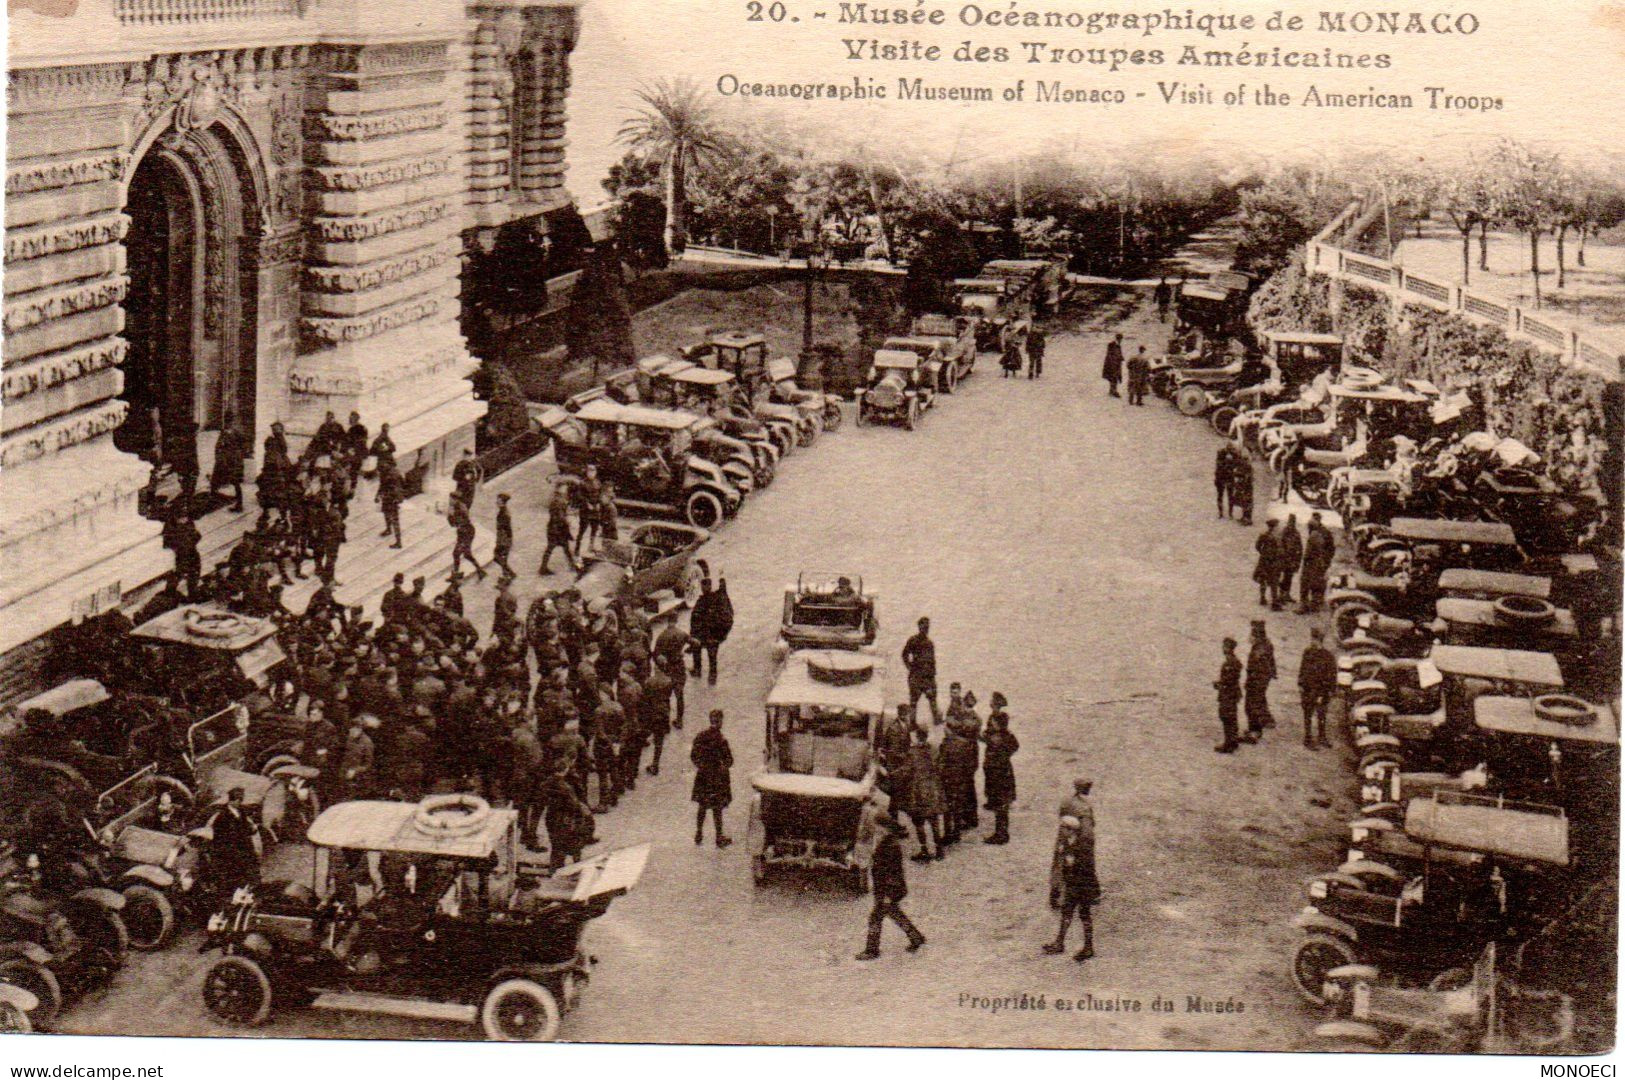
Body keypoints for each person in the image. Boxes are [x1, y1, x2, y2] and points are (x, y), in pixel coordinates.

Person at [855, 816, 925, 960]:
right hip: (886, 888)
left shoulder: (890, 847)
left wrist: (888, 893)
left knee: (876, 917)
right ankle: (916, 937)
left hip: (888, 889)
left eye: (879, 828)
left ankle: (871, 950)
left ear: (886, 829)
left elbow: (893, 871)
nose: (876, 830)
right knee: (894, 914)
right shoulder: (886, 843)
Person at [1042, 810, 1099, 962]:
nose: (1061, 831)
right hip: (1073, 885)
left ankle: (1088, 947)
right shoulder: (1068, 843)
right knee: (1067, 913)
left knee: (1084, 915)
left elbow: (1087, 868)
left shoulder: (1081, 845)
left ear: (1070, 829)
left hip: (1083, 886)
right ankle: (1060, 943)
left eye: (1063, 828)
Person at [898, 726, 947, 861]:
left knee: (919, 821)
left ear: (917, 737)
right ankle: (939, 850)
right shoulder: (934, 750)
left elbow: (906, 771)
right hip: (933, 788)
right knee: (934, 820)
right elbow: (941, 766)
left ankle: (924, 850)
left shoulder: (912, 752)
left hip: (918, 789)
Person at [690, 709, 734, 847]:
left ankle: (699, 833)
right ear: (720, 721)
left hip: (703, 776)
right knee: (717, 808)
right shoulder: (721, 740)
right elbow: (729, 760)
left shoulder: (700, 736)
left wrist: (701, 766)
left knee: (702, 806)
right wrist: (723, 767)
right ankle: (719, 836)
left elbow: (693, 755)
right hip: (717, 778)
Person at [207, 787, 263, 891]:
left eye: (241, 799)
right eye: (238, 800)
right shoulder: (222, 817)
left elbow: (246, 827)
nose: (240, 802)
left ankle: (253, 889)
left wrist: (252, 829)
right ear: (232, 801)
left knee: (251, 873)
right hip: (231, 853)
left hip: (245, 848)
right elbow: (219, 839)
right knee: (236, 879)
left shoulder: (241, 812)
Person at [980, 695, 1018, 844]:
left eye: (994, 724)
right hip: (1002, 773)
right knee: (1000, 805)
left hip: (999, 775)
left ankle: (1001, 835)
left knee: (1000, 806)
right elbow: (1014, 746)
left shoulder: (999, 740)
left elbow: (1001, 746)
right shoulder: (1005, 736)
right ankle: (1001, 833)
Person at [936, 717, 979, 847]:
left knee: (947, 808)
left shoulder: (946, 744)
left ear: (950, 729)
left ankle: (948, 834)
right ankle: (957, 832)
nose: (944, 729)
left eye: (946, 727)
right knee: (958, 806)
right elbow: (971, 763)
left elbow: (940, 764)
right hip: (961, 780)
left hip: (948, 780)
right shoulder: (965, 743)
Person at [687, 575, 733, 685]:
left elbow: (695, 620)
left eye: (704, 586)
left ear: (707, 587)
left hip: (706, 635)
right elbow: (723, 591)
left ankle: (699, 671)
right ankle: (710, 677)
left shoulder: (704, 601)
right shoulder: (715, 597)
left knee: (703, 654)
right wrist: (722, 579)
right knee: (711, 657)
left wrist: (693, 636)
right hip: (712, 636)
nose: (703, 588)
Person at [1299, 627, 1337, 749]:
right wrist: (1300, 684)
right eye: (1312, 638)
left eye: (1314, 639)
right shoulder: (1307, 652)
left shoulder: (1328, 656)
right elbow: (1302, 669)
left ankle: (1322, 737)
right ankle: (1308, 738)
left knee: (1321, 714)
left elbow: (1332, 674)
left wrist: (1331, 690)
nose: (1312, 641)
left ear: (1319, 640)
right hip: (1308, 689)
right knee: (1308, 714)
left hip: (1322, 690)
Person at [901, 617, 942, 725]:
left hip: (928, 677)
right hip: (916, 676)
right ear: (919, 627)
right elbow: (905, 654)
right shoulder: (913, 640)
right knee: (913, 702)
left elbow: (932, 661)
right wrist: (909, 667)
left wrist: (933, 678)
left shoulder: (930, 643)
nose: (925, 629)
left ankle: (937, 722)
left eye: (927, 627)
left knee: (933, 700)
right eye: (923, 626)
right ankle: (912, 724)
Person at [1244, 620, 1276, 741]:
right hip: (1260, 681)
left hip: (1256, 682)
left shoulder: (1259, 650)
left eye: (1251, 635)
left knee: (1252, 705)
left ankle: (1255, 731)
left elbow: (1257, 669)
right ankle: (1262, 723)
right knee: (1257, 703)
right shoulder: (1265, 645)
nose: (1249, 638)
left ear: (1256, 636)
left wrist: (1251, 683)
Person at [1299, 512, 1336, 613]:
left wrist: (1325, 561)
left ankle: (1306, 606)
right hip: (1319, 563)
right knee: (1318, 582)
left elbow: (1330, 549)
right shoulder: (1322, 532)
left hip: (1313, 563)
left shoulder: (1318, 534)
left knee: (1307, 582)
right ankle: (1315, 603)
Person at [163, 507, 202, 597]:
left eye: (186, 517)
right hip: (181, 554)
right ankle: (169, 593)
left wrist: (191, 542)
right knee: (179, 574)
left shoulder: (189, 523)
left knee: (194, 574)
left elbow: (197, 535)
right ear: (177, 518)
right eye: (182, 518)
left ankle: (192, 593)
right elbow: (167, 543)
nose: (185, 519)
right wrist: (179, 546)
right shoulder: (170, 527)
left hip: (192, 552)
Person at [211, 416, 247, 512]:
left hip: (232, 460)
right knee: (217, 479)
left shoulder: (233, 433)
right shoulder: (226, 433)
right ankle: (215, 497)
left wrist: (237, 453)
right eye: (227, 423)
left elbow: (243, 444)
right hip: (226, 460)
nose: (228, 424)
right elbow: (218, 446)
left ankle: (239, 504)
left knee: (235, 482)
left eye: (230, 423)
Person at [1214, 637, 1243, 753]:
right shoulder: (1232, 661)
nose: (1223, 649)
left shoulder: (1230, 662)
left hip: (1228, 694)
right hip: (1231, 693)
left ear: (1228, 648)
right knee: (1230, 717)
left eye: (1224, 646)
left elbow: (1229, 680)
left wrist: (1219, 684)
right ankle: (1232, 741)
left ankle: (1229, 744)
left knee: (1227, 717)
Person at [540, 481, 576, 575]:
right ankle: (573, 565)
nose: (565, 490)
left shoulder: (558, 498)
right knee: (560, 547)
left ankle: (543, 568)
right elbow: (560, 517)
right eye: (564, 488)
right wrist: (567, 522)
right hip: (558, 529)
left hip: (554, 528)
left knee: (560, 548)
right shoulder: (558, 500)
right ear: (559, 489)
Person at [449, 500, 485, 581]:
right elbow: (453, 524)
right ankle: (480, 570)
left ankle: (456, 574)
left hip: (466, 534)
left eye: (451, 499)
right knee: (466, 554)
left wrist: (452, 516)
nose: (450, 500)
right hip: (464, 533)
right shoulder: (458, 508)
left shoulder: (459, 510)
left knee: (457, 553)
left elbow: (456, 523)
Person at [573, 465, 603, 558]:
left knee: (594, 530)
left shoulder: (598, 482)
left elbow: (600, 494)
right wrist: (587, 503)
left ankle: (591, 546)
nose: (591, 473)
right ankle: (577, 549)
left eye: (593, 471)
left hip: (595, 510)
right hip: (586, 511)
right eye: (589, 471)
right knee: (582, 530)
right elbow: (579, 496)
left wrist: (598, 503)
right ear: (586, 472)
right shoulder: (582, 483)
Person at [376, 458, 403, 548]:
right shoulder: (384, 473)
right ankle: (388, 529)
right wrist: (378, 495)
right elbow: (382, 485)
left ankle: (398, 542)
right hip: (387, 497)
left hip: (392, 498)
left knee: (394, 519)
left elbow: (399, 487)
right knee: (386, 513)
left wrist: (398, 498)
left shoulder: (394, 474)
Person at [1277, 514, 1303, 608]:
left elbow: (1300, 547)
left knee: (1289, 578)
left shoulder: (1296, 533)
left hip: (1292, 560)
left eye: (1293, 522)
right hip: (1284, 560)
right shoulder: (1284, 532)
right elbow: (1280, 545)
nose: (1291, 524)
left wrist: (1297, 560)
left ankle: (1286, 595)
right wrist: (1283, 556)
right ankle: (1281, 595)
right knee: (1282, 578)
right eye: (1290, 522)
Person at [1253, 521, 1280, 608]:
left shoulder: (1264, 534)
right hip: (1272, 561)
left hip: (1264, 560)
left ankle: (1263, 598)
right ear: (1274, 526)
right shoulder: (1276, 536)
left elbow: (1257, 546)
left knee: (1263, 579)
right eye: (1276, 526)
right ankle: (1274, 602)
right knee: (1273, 581)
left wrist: (1262, 553)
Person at [492, 492, 515, 580]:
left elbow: (507, 529)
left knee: (498, 557)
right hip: (502, 538)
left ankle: (508, 574)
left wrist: (506, 540)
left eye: (499, 500)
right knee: (500, 558)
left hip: (504, 539)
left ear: (503, 502)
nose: (497, 502)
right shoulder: (503, 511)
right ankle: (508, 573)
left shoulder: (504, 514)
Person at [1229, 450, 1255, 526]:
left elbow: (1246, 477)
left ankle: (1247, 519)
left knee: (1247, 502)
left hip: (1246, 487)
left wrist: (1235, 474)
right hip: (1244, 487)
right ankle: (1244, 517)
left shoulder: (1247, 467)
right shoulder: (1244, 467)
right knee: (1243, 502)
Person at [1215, 444, 1236, 519]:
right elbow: (1219, 465)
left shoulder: (1234, 454)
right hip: (1221, 477)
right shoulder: (1221, 453)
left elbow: (1237, 464)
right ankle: (1220, 513)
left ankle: (1230, 513)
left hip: (1230, 477)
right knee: (1220, 495)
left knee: (1230, 496)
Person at [1101, 332, 1124, 397]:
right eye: (1120, 339)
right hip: (1112, 364)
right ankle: (1113, 391)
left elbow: (1118, 354)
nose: (1121, 340)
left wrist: (1121, 357)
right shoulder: (1111, 344)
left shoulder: (1118, 345)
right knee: (1113, 377)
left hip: (1116, 364)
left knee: (1115, 377)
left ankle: (1112, 390)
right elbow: (1110, 354)